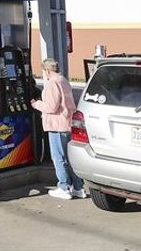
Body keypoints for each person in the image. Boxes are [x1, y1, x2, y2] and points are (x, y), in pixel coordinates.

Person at [32, 57, 86, 200]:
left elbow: (51, 107)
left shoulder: (52, 83)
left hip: (56, 125)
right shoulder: (63, 80)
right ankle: (78, 187)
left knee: (58, 157)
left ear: (47, 70)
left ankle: (64, 187)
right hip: (67, 124)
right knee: (69, 158)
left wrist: (36, 104)